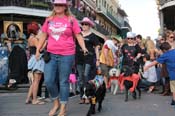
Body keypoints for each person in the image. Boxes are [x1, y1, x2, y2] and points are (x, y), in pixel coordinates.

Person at [35, 0, 88, 116]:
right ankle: (56, 103)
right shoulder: (49, 20)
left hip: (67, 54)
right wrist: (37, 50)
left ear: (65, 7)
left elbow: (78, 35)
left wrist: (84, 48)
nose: (58, 7)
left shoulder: (71, 20)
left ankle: (63, 107)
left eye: (60, 5)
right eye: (56, 5)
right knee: (48, 81)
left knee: (63, 81)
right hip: (51, 54)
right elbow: (44, 35)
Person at [76, 17, 100, 104]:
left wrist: (97, 59)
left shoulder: (93, 36)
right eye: (82, 24)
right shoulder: (78, 34)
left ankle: (87, 96)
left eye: (86, 24)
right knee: (80, 78)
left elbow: (97, 48)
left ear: (89, 25)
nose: (84, 26)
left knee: (86, 76)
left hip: (88, 58)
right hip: (78, 58)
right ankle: (81, 96)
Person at [144, 42, 175, 106]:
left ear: (163, 50)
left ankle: (174, 101)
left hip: (173, 75)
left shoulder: (165, 55)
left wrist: (147, 66)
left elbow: (155, 62)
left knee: (174, 89)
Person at [26, 21, 45, 105]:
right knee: (36, 81)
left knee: (34, 81)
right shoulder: (34, 39)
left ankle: (28, 98)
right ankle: (34, 99)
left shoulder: (30, 38)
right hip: (38, 60)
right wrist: (46, 42)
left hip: (33, 59)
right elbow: (40, 49)